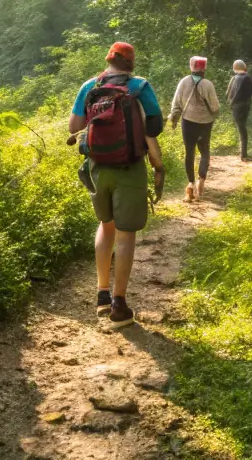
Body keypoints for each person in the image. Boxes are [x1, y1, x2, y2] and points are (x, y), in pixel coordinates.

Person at [70, 41, 165, 328]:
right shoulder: (139, 86)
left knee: (105, 225)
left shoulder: (90, 86)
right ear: (130, 63)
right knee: (126, 235)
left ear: (109, 60)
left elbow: (74, 128)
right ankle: (119, 304)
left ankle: (101, 294)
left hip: (98, 168)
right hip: (129, 168)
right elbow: (155, 126)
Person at [170, 56, 220, 202]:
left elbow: (176, 104)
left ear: (191, 67)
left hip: (188, 122)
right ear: (204, 69)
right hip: (205, 123)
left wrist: (174, 119)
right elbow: (215, 107)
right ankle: (201, 180)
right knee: (204, 151)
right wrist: (214, 114)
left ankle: (190, 184)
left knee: (189, 152)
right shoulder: (208, 84)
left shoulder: (184, 82)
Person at [226, 59, 252, 162]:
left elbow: (227, 94)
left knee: (241, 128)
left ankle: (242, 152)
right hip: (244, 106)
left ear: (235, 68)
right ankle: (244, 155)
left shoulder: (233, 78)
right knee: (243, 130)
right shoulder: (247, 78)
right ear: (244, 67)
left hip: (234, 107)